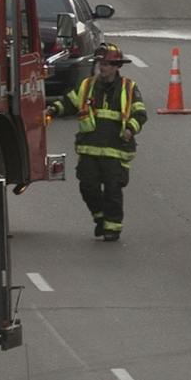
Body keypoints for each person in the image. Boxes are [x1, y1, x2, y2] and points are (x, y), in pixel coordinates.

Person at [45, 43, 147, 241]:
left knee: (112, 190)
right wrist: (52, 109)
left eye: (107, 64)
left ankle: (112, 228)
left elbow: (140, 113)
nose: (103, 67)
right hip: (89, 148)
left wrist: (130, 129)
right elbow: (69, 102)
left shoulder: (129, 88)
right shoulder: (87, 86)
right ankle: (100, 218)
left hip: (115, 149)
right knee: (87, 187)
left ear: (117, 66)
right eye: (101, 63)